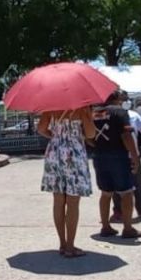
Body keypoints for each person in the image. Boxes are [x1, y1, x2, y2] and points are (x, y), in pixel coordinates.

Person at [38, 106, 96, 257]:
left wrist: (56, 136)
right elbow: (91, 133)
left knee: (58, 201)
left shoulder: (50, 107)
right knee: (73, 202)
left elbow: (41, 129)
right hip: (74, 154)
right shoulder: (82, 108)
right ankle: (70, 246)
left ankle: (62, 244)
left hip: (55, 152)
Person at [92, 91, 141, 239]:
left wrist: (97, 146)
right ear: (117, 99)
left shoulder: (95, 114)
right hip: (119, 156)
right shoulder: (120, 112)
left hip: (100, 156)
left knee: (106, 192)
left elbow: (88, 136)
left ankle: (105, 226)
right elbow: (126, 135)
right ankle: (128, 228)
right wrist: (134, 155)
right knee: (126, 192)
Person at [113, 91, 141, 223]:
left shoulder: (134, 115)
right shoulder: (111, 115)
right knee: (117, 185)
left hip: (132, 155)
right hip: (118, 155)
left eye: (126, 99)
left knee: (138, 184)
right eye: (122, 99)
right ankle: (118, 211)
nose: (125, 101)